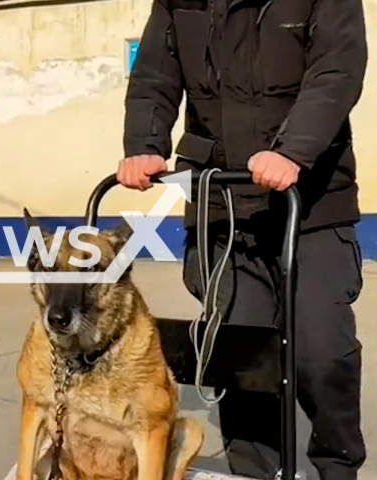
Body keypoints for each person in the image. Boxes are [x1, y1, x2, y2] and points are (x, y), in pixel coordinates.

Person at [117, 1, 368, 480]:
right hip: (223, 203)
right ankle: (255, 472)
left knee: (321, 352)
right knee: (242, 356)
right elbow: (154, 74)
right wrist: (145, 144)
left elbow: (336, 71)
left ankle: (337, 468)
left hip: (311, 202)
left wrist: (293, 150)